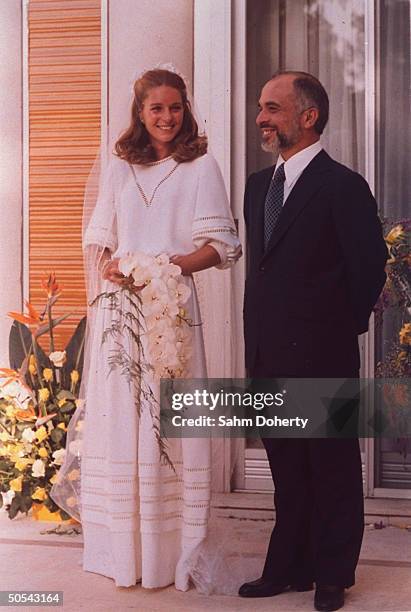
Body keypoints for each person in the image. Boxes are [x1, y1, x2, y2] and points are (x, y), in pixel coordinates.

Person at [51, 67, 241, 590]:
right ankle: (124, 553)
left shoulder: (201, 166)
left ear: (186, 109)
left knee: (170, 421)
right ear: (139, 113)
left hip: (173, 307)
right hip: (121, 313)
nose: (166, 117)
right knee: (124, 423)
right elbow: (102, 238)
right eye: (156, 108)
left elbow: (222, 245)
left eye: (175, 107)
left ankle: (172, 557)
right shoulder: (118, 168)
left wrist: (170, 266)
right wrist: (112, 266)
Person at [240, 71, 387, 611]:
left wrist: (329, 330)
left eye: (273, 108)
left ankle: (332, 575)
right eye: (261, 107)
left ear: (308, 116)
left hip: (322, 354)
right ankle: (288, 567)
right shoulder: (260, 185)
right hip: (267, 353)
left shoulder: (343, 185)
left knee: (331, 468)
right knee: (287, 470)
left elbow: (370, 269)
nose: (261, 117)